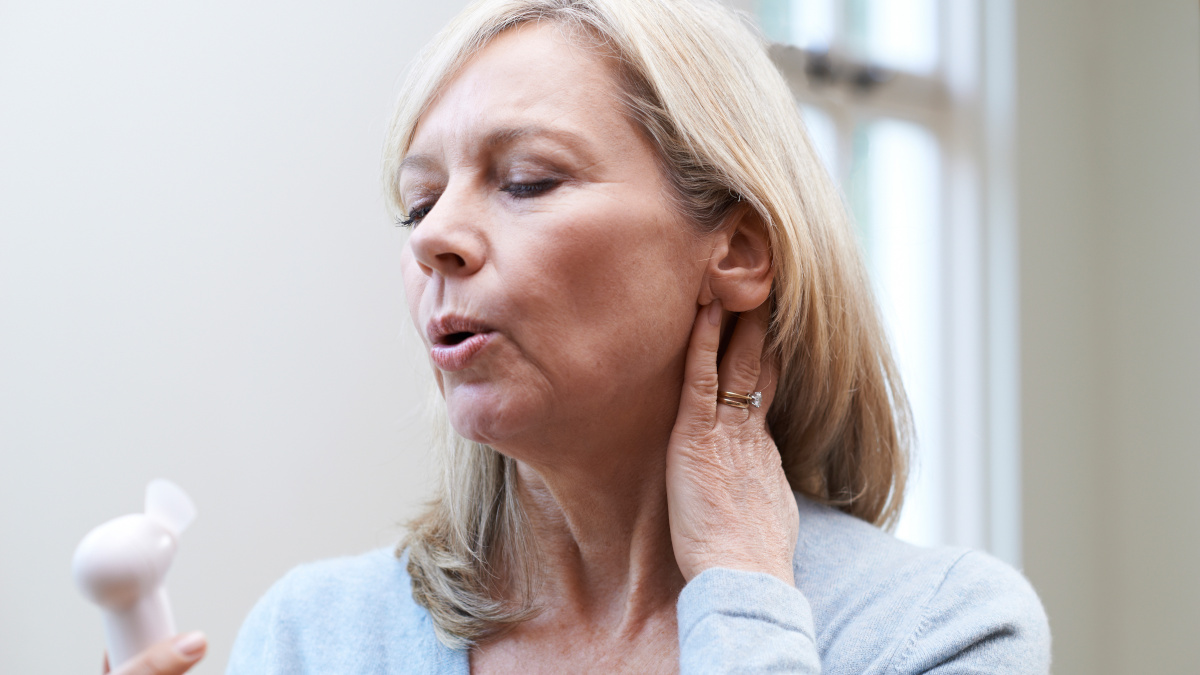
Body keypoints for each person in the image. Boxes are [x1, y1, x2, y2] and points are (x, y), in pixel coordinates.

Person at [107, 0, 1050, 673]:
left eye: (525, 180)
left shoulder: (940, 631)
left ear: (739, 249)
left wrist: (743, 598)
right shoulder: (311, 637)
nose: (434, 236)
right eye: (419, 201)